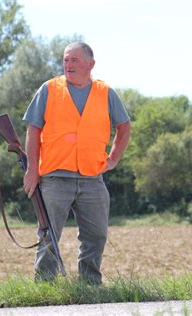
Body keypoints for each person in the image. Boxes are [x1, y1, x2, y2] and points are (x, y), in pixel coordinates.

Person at [22, 42, 131, 284]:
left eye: (74, 60)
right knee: (48, 234)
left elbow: (124, 127)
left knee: (97, 235)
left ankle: (90, 285)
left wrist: (113, 158)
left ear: (90, 64)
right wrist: (32, 169)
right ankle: (45, 286)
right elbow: (33, 129)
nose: (68, 65)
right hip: (54, 177)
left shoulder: (106, 93)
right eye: (66, 60)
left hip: (93, 178)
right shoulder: (49, 89)